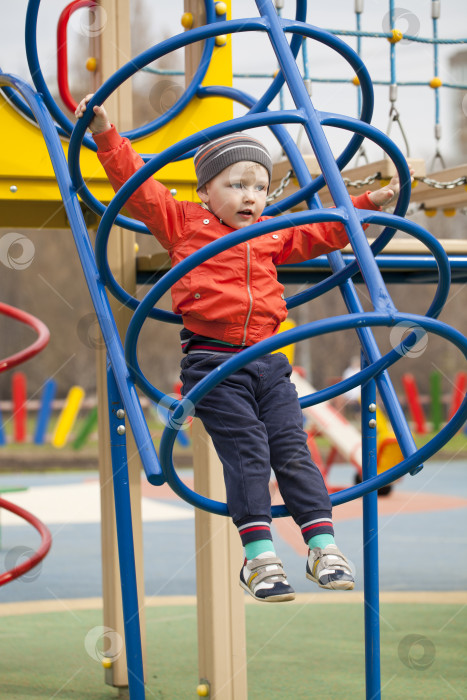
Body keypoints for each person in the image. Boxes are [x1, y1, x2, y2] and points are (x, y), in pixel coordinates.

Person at [76, 94, 408, 603]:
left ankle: (322, 544)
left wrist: (365, 204)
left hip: (270, 364)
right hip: (213, 364)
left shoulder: (268, 233)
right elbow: (136, 187)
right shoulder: (183, 222)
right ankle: (259, 558)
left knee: (293, 450)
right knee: (249, 453)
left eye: (260, 186)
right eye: (237, 185)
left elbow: (320, 231)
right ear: (206, 190)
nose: (252, 196)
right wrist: (104, 132)